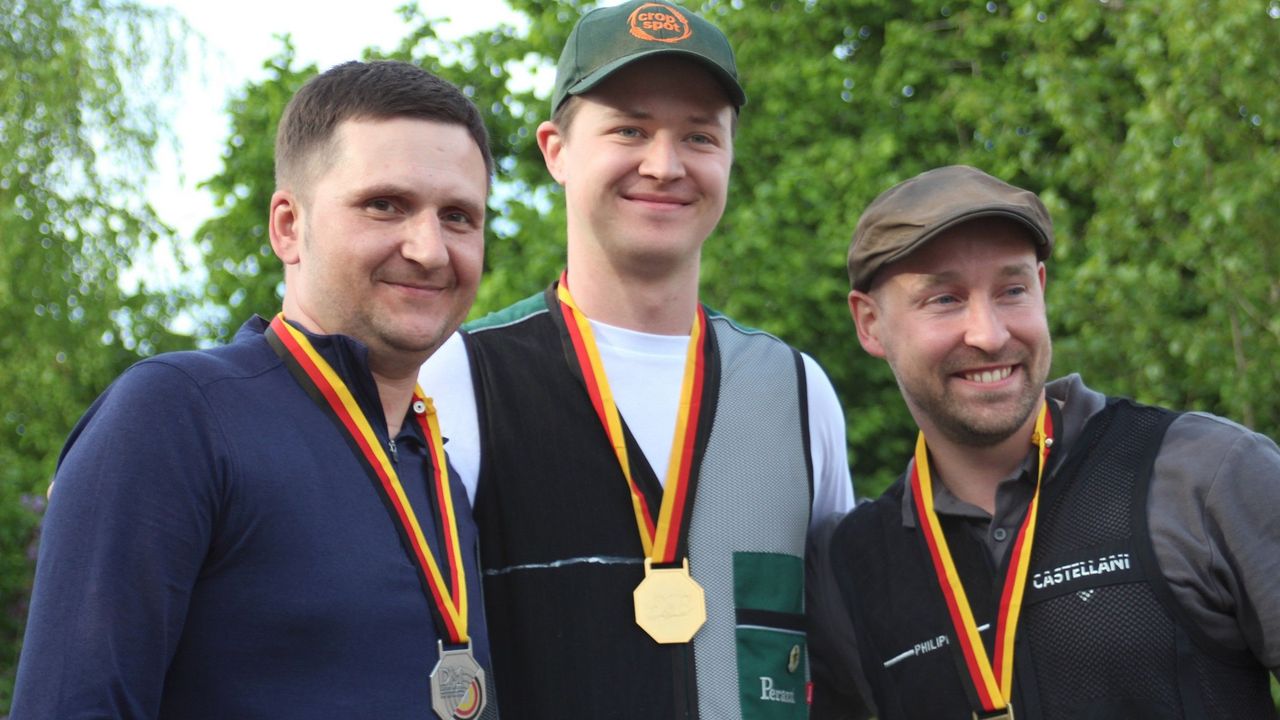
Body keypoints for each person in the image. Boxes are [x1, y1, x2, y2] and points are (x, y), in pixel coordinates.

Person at [13, 60, 499, 720]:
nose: (430, 249)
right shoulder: (179, 415)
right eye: (385, 205)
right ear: (288, 227)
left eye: (459, 217)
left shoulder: (436, 471)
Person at [418, 1, 854, 716]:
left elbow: (845, 663)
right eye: (629, 129)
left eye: (699, 136)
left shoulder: (798, 390)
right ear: (555, 149)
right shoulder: (461, 379)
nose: (665, 164)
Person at [810, 165, 1280, 719]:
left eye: (1012, 291)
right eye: (944, 299)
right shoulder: (851, 565)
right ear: (869, 324)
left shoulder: (1206, 474)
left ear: (1042, 287)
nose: (989, 334)